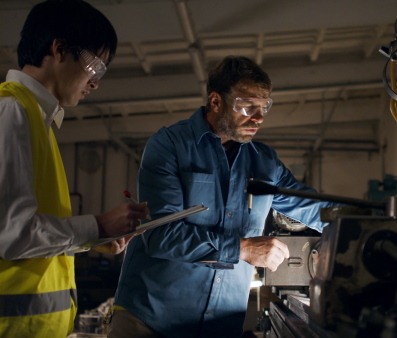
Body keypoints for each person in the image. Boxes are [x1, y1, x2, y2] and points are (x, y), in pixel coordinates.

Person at [109, 56, 337, 338]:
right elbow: (161, 236)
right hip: (151, 320)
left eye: (264, 107)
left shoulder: (265, 163)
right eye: (247, 106)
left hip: (220, 326)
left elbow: (316, 208)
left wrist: (368, 223)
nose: (259, 117)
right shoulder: (170, 145)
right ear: (215, 102)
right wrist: (243, 249)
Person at [0, 1, 150, 337]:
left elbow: (30, 236)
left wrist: (94, 238)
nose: (95, 82)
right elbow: (11, 235)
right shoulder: (12, 112)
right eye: (95, 66)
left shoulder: (39, 122)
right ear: (59, 50)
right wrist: (97, 225)